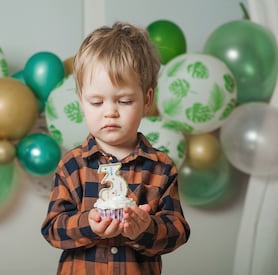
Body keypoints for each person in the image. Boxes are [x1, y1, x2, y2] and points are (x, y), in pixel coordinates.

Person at [41, 21, 190, 275]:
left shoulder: (161, 167)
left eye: (124, 100)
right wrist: (88, 224)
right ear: (82, 102)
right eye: (97, 102)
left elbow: (178, 231)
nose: (110, 111)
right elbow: (53, 229)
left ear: (147, 101)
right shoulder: (72, 165)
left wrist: (146, 228)